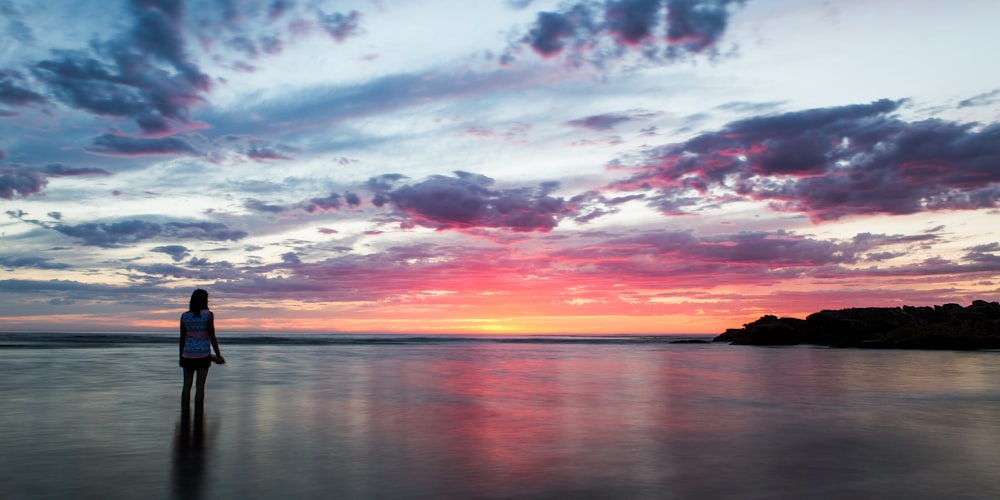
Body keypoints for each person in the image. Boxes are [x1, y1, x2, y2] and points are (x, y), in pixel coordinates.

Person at [179, 289, 224, 411]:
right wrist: (218, 354)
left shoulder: (185, 316)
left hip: (187, 354)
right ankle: (198, 414)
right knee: (200, 386)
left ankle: (185, 413)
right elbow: (212, 336)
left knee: (186, 386)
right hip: (203, 355)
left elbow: (182, 338)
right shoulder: (208, 315)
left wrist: (180, 356)